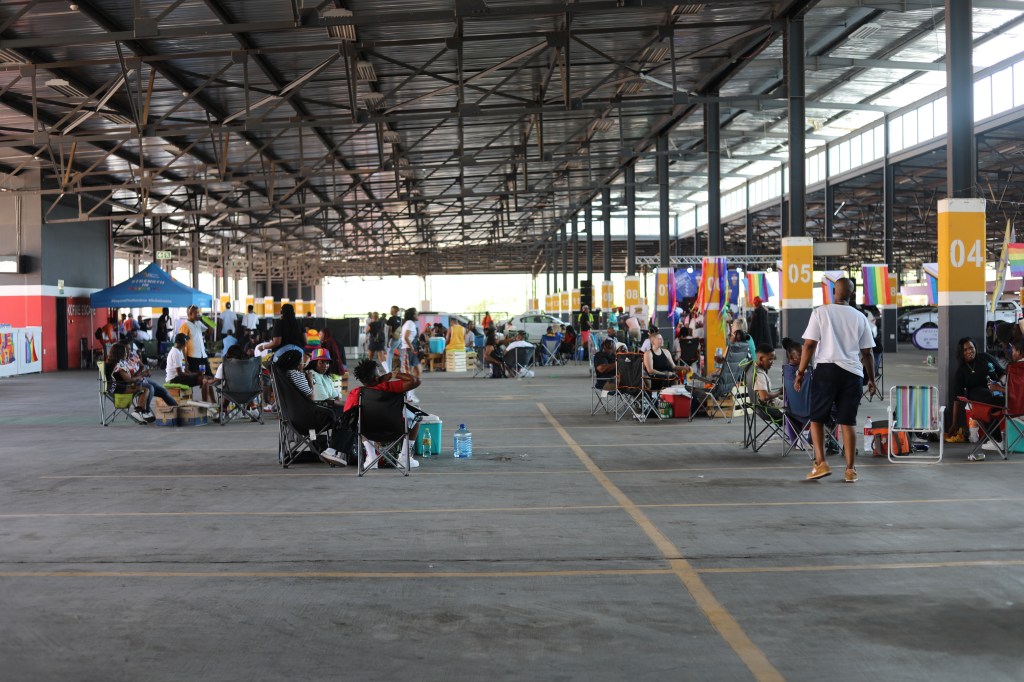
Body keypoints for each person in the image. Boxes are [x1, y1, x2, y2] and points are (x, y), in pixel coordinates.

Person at [794, 277, 876, 483]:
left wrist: (800, 372)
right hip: (853, 374)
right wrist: (872, 379)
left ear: (833, 292)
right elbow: (867, 353)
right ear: (852, 294)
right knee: (848, 422)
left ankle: (821, 463)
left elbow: (809, 345)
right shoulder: (860, 317)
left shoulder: (820, 312)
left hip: (826, 372)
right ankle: (850, 470)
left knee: (817, 419)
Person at [344, 358, 423, 469]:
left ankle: (371, 457)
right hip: (397, 430)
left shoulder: (356, 393)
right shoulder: (388, 387)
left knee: (359, 420)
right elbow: (416, 381)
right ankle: (405, 457)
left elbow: (347, 416)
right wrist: (392, 374)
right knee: (416, 417)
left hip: (369, 432)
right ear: (377, 377)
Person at [952, 336, 1005, 459]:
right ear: (961, 353)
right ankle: (997, 440)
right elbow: (957, 398)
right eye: (965, 350)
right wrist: (954, 423)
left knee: (987, 407)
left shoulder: (985, 357)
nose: (969, 351)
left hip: (997, 392)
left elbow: (1003, 372)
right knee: (983, 402)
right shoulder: (961, 371)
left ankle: (997, 440)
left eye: (971, 348)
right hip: (979, 397)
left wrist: (1000, 383)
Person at [166, 332, 216, 403]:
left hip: (179, 377)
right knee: (204, 380)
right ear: (183, 342)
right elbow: (180, 373)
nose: (187, 342)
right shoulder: (176, 353)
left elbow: (184, 369)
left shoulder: (179, 352)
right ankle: (205, 405)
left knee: (207, 378)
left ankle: (212, 403)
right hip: (174, 379)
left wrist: (195, 374)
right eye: (186, 341)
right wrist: (194, 374)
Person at [178, 304, 213, 382]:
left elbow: (209, 333)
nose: (198, 314)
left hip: (203, 357)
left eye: (198, 312)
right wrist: (185, 361)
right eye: (196, 313)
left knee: (208, 378)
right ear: (190, 314)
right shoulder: (185, 326)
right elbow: (182, 345)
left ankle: (207, 390)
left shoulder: (198, 323)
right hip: (192, 358)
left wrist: (210, 323)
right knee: (193, 380)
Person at [753, 343, 783, 422]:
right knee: (800, 406)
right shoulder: (759, 374)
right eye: (770, 359)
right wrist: (779, 392)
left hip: (763, 406)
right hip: (770, 409)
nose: (772, 362)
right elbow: (764, 397)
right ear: (761, 358)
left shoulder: (753, 368)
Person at [399, 308, 421, 402]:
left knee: (418, 371)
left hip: (410, 350)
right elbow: (406, 337)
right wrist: (411, 348)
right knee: (408, 374)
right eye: (416, 313)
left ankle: (410, 393)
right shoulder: (410, 323)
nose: (417, 315)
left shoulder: (410, 323)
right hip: (408, 350)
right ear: (412, 315)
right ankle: (408, 395)